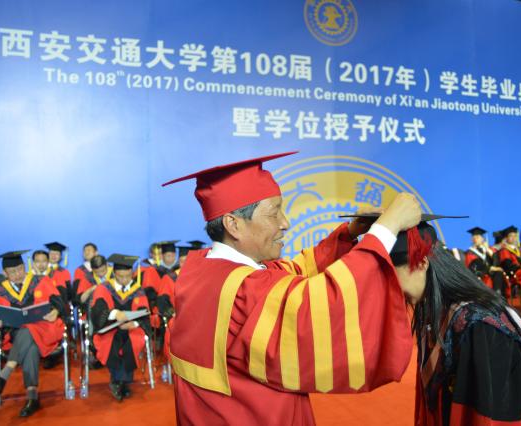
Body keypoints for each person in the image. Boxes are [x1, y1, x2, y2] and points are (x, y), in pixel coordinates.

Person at [163, 152, 421, 425]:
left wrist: (349, 232)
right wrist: (386, 229)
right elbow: (322, 303)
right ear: (233, 224)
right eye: (274, 213)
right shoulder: (245, 291)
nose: (285, 222)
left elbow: (294, 271)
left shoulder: (200, 270)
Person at [387, 220, 521, 425]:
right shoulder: (434, 310)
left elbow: (492, 416)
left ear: (421, 263)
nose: (391, 288)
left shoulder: (480, 326)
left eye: (391, 275)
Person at [0, 250, 67, 417]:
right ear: (5, 273)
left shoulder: (40, 280)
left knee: (29, 330)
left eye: (20, 269)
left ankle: (7, 370)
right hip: (16, 334)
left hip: (44, 328)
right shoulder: (0, 291)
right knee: (30, 342)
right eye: (12, 272)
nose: (17, 274)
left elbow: (59, 302)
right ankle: (32, 397)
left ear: (25, 267)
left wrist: (56, 311)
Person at [90, 254, 150, 401]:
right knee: (114, 341)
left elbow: (144, 313)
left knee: (131, 341)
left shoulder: (137, 289)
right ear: (114, 274)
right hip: (109, 328)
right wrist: (115, 313)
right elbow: (98, 310)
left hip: (131, 328)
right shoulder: (104, 288)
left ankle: (121, 381)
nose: (124, 280)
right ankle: (119, 381)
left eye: (128, 276)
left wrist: (134, 324)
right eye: (120, 276)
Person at [464, 227, 504, 291]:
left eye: (477, 237)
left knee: (498, 273)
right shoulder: (469, 253)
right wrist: (489, 268)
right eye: (473, 237)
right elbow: (472, 267)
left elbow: (497, 264)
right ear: (471, 239)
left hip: (491, 276)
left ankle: (498, 293)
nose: (475, 239)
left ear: (483, 238)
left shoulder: (489, 250)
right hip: (480, 277)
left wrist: (488, 250)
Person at [497, 226, 521, 296]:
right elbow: (507, 265)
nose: (513, 238)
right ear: (506, 238)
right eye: (511, 236)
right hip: (513, 273)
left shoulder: (519, 249)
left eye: (515, 236)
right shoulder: (504, 250)